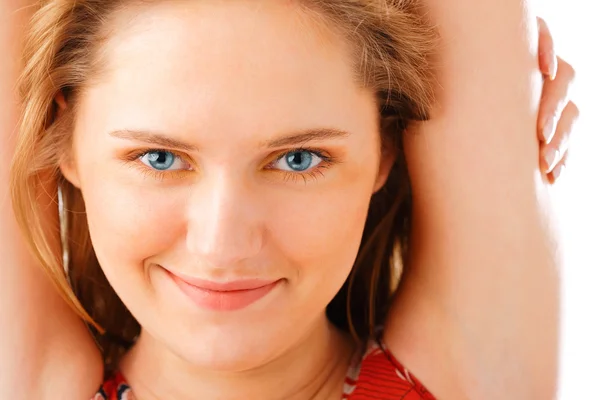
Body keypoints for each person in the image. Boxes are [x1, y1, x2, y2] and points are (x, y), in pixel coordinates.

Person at [0, 0, 578, 399]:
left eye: (298, 159)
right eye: (160, 158)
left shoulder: (470, 377)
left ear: (385, 150)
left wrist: (496, 68)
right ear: (64, 144)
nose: (222, 245)